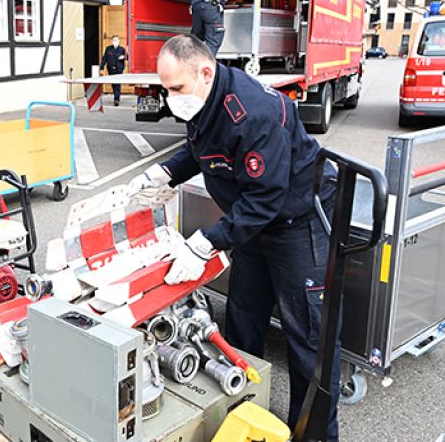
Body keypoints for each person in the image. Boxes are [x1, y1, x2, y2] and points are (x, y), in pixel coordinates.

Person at [128, 35, 341, 439]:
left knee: (308, 341)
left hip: (297, 223)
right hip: (252, 224)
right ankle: (244, 408)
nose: (171, 98)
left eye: (176, 89)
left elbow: (266, 197)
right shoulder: (205, 101)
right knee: (243, 320)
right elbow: (201, 148)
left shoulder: (253, 114)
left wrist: (206, 241)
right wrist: (165, 174)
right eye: (165, 89)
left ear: (205, 72)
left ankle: (312, 434)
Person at [99, 35, 128, 106]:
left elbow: (128, 57)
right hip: (111, 69)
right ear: (112, 41)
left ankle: (116, 99)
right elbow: (104, 59)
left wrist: (124, 57)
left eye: (116, 40)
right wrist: (101, 68)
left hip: (119, 69)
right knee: (113, 84)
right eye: (114, 40)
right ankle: (116, 95)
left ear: (119, 41)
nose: (115, 42)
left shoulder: (122, 49)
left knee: (117, 83)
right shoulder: (108, 49)